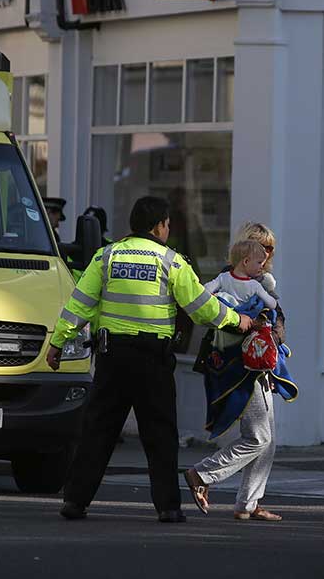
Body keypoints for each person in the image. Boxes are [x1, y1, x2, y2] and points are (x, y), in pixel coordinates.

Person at [47, 196, 253, 523]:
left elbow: (79, 305)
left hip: (112, 358)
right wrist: (235, 321)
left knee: (97, 432)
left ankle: (75, 501)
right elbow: (201, 307)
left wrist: (58, 343)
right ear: (158, 226)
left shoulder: (107, 256)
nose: (168, 230)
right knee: (160, 435)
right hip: (152, 361)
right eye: (168, 224)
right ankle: (168, 507)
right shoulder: (172, 262)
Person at [184, 221, 296, 522]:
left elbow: (275, 318)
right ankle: (203, 474)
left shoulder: (260, 279)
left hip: (260, 365)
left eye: (270, 250)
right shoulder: (231, 279)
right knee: (258, 437)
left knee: (267, 439)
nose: (268, 256)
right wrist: (244, 319)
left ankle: (249, 503)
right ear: (247, 250)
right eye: (263, 248)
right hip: (240, 366)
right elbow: (210, 313)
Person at [203, 240, 278, 349]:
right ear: (246, 261)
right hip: (243, 337)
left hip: (223, 335)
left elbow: (205, 290)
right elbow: (272, 304)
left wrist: (215, 296)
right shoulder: (254, 285)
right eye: (259, 263)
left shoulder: (223, 277)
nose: (262, 267)